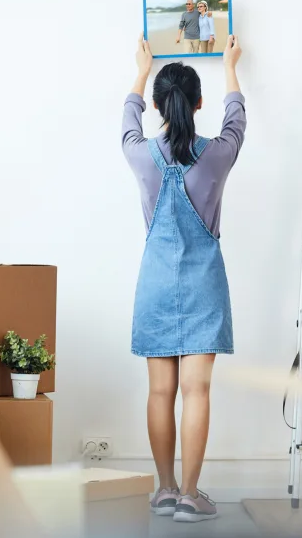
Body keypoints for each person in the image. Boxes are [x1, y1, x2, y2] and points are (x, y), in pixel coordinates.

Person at [121, 34, 245, 523]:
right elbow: (237, 120)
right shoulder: (216, 154)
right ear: (198, 103)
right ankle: (192, 496)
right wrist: (230, 65)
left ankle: (165, 490)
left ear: (157, 105)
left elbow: (127, 119)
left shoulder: (139, 154)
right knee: (198, 392)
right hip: (203, 285)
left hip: (155, 284)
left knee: (159, 393)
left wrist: (140, 69)